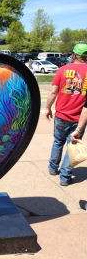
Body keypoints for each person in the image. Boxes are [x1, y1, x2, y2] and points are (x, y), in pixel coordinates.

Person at [45, 44, 87, 186]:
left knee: (58, 142)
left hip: (61, 115)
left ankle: (52, 168)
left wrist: (48, 108)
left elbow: (52, 92)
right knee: (72, 145)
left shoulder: (62, 70)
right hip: (79, 118)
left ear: (75, 55)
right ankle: (64, 177)